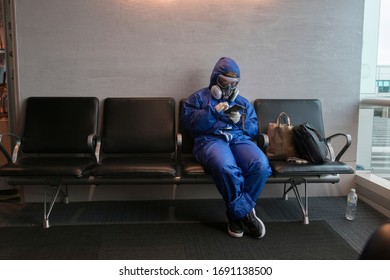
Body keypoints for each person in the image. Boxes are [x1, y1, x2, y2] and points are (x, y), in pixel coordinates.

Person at [181, 57, 272, 238]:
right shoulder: (197, 98)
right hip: (209, 140)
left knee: (261, 164)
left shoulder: (243, 103)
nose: (228, 87)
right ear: (215, 79)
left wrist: (241, 122)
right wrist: (212, 113)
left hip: (237, 139)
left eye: (234, 83)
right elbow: (189, 125)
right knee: (225, 167)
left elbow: (253, 130)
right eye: (224, 82)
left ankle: (235, 214)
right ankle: (245, 213)